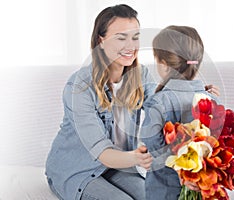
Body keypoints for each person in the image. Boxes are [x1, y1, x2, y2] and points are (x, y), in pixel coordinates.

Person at [45, 4, 219, 200]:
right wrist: (138, 157)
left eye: (135, 37)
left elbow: (162, 106)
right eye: (121, 37)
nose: (131, 46)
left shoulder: (140, 75)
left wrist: (192, 94)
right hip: (78, 170)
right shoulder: (79, 87)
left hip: (121, 168)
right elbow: (100, 152)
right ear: (100, 41)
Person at [140, 25, 234, 200]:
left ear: (164, 64)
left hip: (163, 193)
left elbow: (152, 145)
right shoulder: (212, 100)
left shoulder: (157, 102)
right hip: (204, 191)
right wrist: (207, 168)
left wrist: (183, 168)